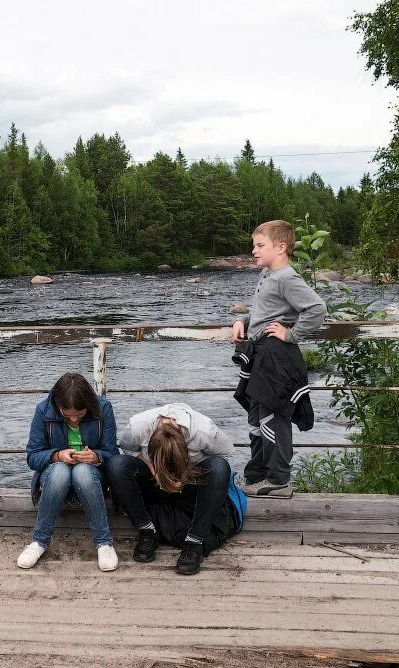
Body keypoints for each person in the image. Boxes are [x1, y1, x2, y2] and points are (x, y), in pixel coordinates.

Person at [231, 219, 327, 499]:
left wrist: (291, 334)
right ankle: (258, 475)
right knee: (256, 418)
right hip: (262, 356)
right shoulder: (267, 275)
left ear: (281, 247)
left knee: (273, 418)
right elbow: (263, 313)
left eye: (260, 245)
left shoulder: (286, 277)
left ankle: (279, 480)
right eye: (253, 246)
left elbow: (317, 308)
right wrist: (242, 320)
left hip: (277, 357)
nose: (254, 251)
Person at [105, 403, 247, 575]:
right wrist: (150, 465)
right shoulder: (137, 427)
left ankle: (194, 541)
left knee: (219, 467)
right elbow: (127, 448)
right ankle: (147, 530)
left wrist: (188, 471)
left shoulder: (204, 431)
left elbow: (226, 452)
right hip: (153, 479)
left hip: (189, 482)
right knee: (116, 464)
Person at [18, 372, 119, 571]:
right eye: (67, 414)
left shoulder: (103, 409)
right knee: (60, 471)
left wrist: (96, 457)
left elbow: (112, 453)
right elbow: (32, 457)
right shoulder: (42, 411)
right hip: (54, 476)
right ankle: (39, 541)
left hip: (90, 476)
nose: (73, 419)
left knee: (82, 471)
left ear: (88, 406)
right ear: (58, 405)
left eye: (79, 415)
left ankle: (103, 542)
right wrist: (57, 455)